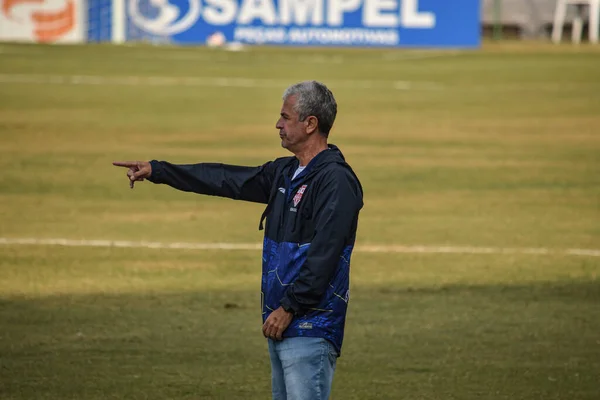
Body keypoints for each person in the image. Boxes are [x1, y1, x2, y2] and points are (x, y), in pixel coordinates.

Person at [113, 80, 363, 400]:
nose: (278, 124)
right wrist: (159, 170)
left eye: (285, 117)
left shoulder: (336, 181)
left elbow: (324, 256)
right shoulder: (286, 173)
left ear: (311, 123)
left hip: (310, 325)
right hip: (281, 321)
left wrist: (290, 307)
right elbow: (226, 179)